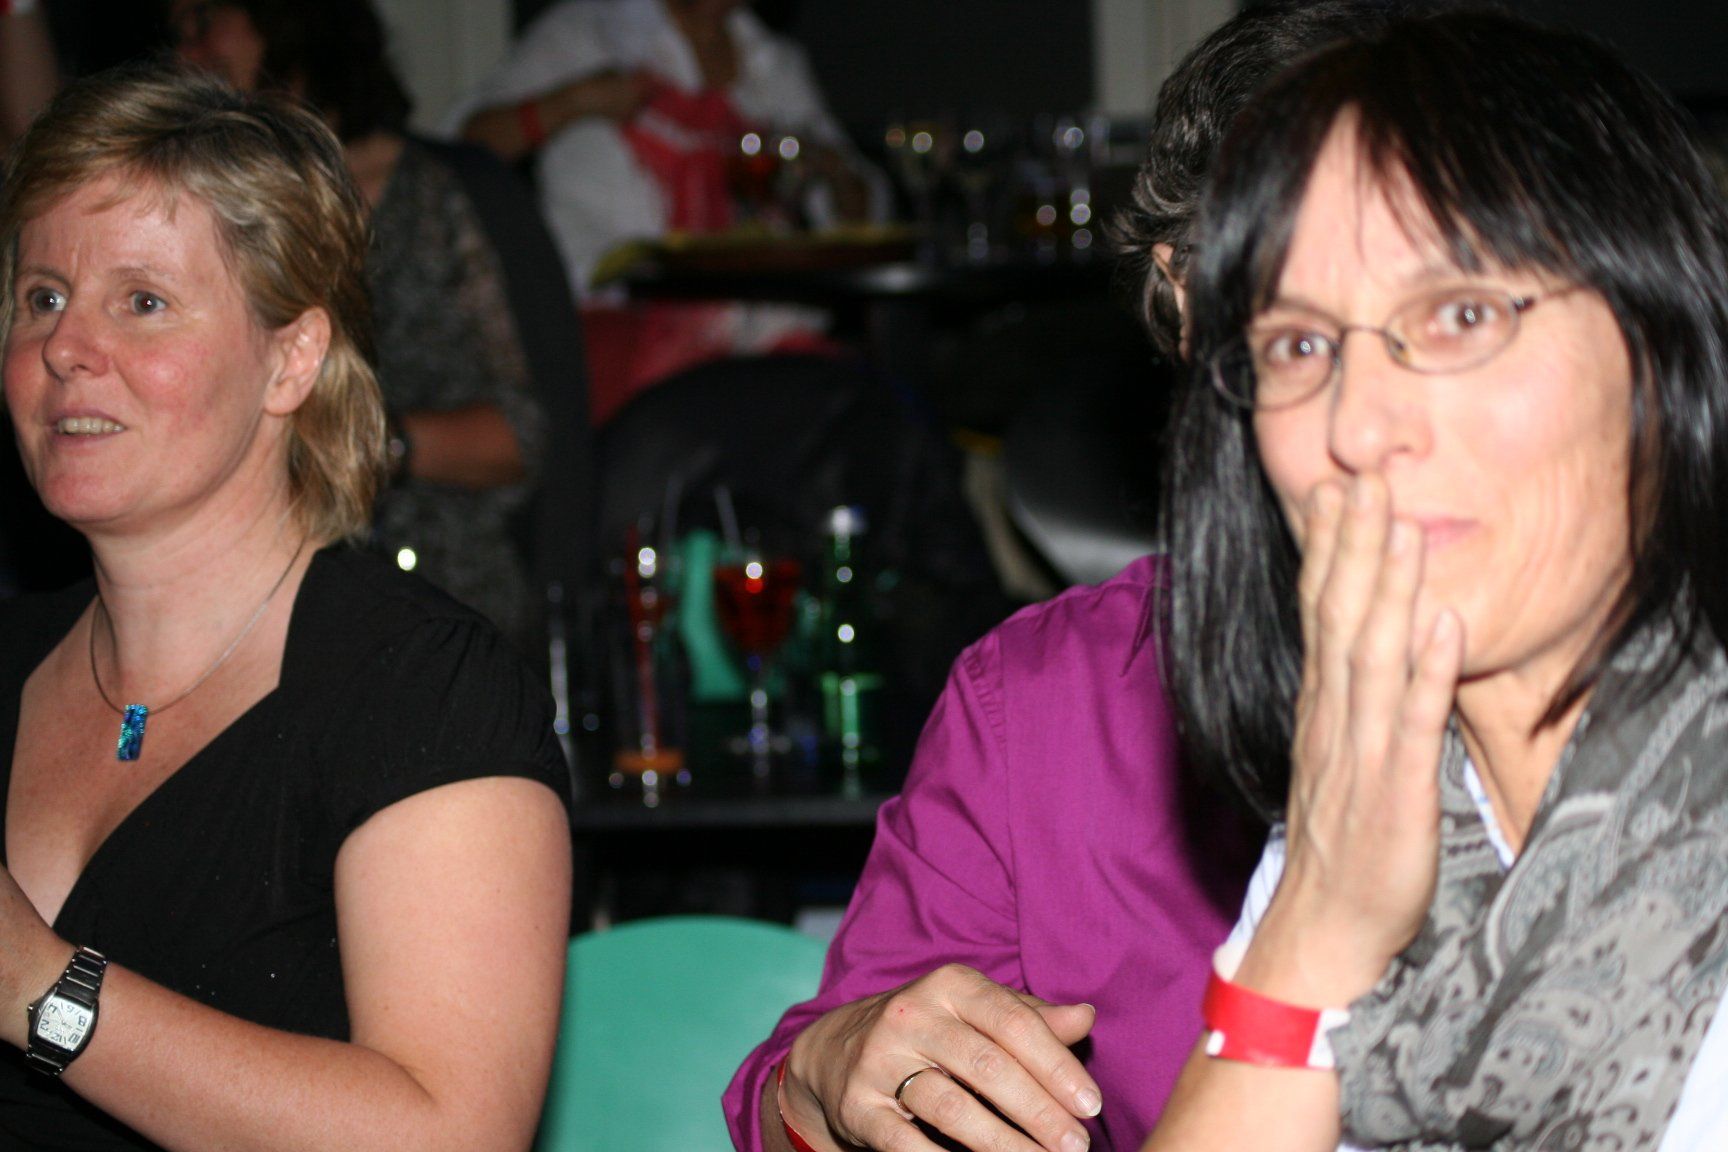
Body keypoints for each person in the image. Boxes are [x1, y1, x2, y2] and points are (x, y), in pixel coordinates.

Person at [725, 5, 1402, 1151]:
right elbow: (809, 1087)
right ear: (1186, 298)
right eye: (1308, 289)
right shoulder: (1047, 701)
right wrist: (834, 1075)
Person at [1144, 10, 1728, 1151]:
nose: (1359, 426)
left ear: (1657, 346)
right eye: (1299, 345)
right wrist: (1309, 936)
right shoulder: (1370, 809)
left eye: (1460, 316)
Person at [0, 64, 573, 1151]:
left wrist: (37, 986)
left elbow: (451, 1134)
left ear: (291, 358)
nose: (65, 347)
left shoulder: (420, 691)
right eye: (42, 297)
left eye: (143, 301)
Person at [171, 0, 552, 647]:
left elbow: (525, 435)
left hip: (437, 594)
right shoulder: (197, 207)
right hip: (252, 596)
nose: (187, 53)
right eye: (176, 33)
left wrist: (366, 444)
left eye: (204, 22)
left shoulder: (437, 193)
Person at [449, 0, 880, 423]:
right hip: (614, 315)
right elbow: (462, 146)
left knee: (854, 408)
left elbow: (860, 214)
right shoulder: (588, 30)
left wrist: (831, 172)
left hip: (755, 327)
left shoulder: (773, 63)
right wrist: (570, 103)